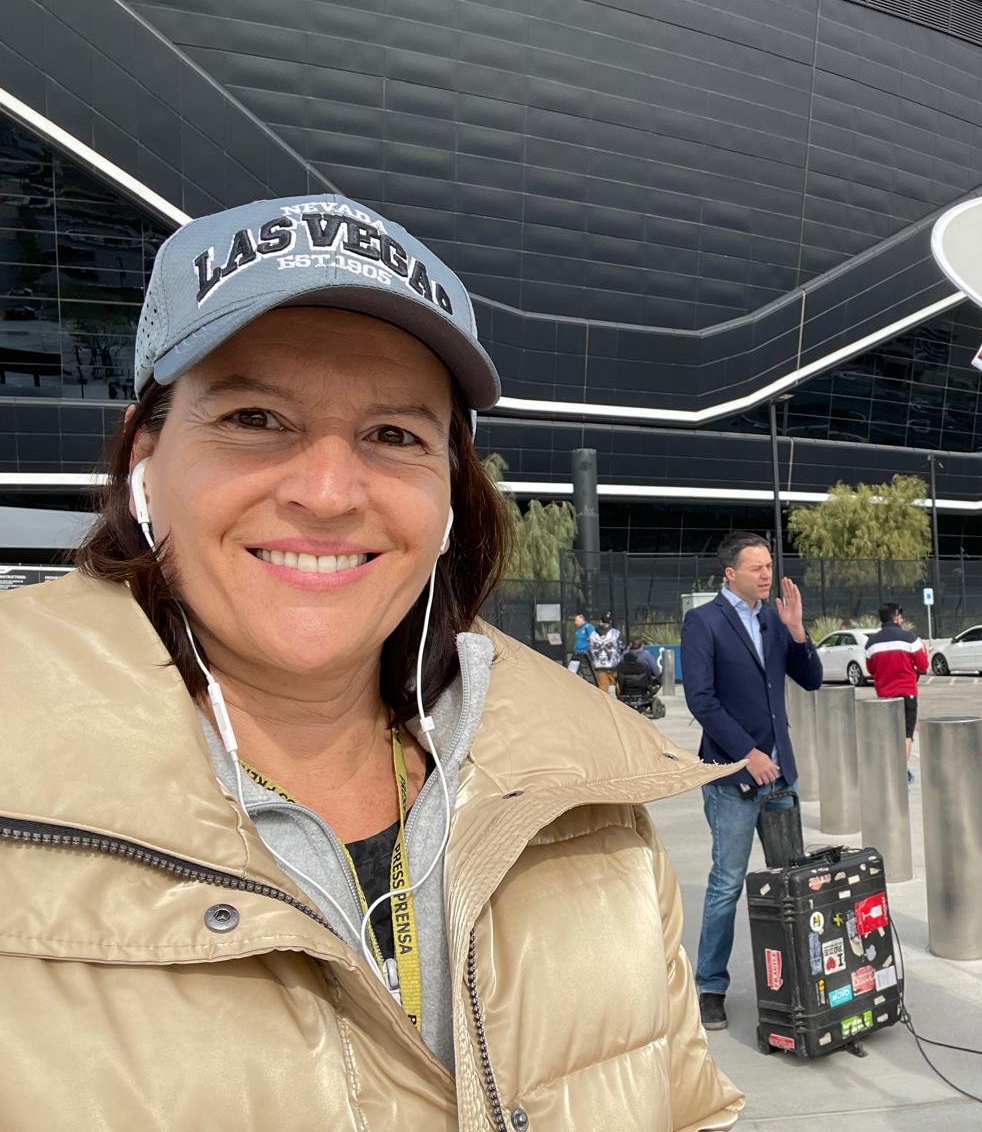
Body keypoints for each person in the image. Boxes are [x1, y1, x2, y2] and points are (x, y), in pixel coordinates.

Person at [0, 195, 743, 1130]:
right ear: (147, 461)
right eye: (256, 416)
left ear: (447, 499)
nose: (326, 492)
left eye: (393, 435)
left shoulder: (588, 788)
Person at [680, 532, 822, 1031]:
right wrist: (747, 754)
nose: (767, 574)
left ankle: (804, 978)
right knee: (726, 885)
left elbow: (812, 680)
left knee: (793, 881)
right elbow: (702, 700)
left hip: (781, 779)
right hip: (732, 780)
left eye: (769, 565)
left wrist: (798, 632)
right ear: (730, 573)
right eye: (756, 567)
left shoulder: (773, 619)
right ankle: (711, 987)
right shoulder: (704, 623)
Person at [864, 601, 928, 782]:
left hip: (884, 696)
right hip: (907, 693)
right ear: (897, 617)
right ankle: (901, 773)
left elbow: (871, 669)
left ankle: (892, 770)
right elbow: (923, 665)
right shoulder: (910, 639)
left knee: (890, 734)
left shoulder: (871, 643)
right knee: (906, 734)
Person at [590, 613, 623, 693]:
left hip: (599, 666)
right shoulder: (616, 633)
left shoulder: (592, 634)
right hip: (614, 666)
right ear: (611, 621)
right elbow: (622, 647)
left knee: (603, 690)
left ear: (600, 621)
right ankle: (620, 704)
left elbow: (590, 649)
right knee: (620, 688)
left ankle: (603, 705)